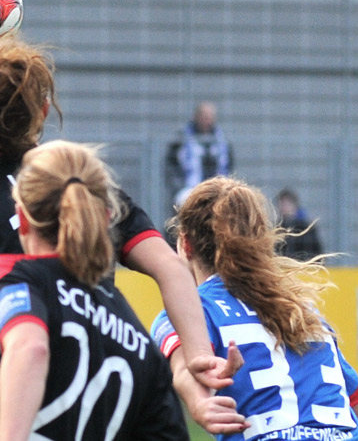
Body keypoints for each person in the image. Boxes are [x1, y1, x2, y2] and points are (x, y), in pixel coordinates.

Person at [0, 34, 233, 425]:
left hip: (7, 389)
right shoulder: (85, 183)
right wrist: (198, 354)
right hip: (99, 385)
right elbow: (172, 267)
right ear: (44, 111)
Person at [0, 139, 192, 440]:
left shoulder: (14, 277)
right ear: (106, 217)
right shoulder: (141, 343)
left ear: (22, 218)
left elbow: (30, 348)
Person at [152, 176, 358, 440]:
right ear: (261, 240)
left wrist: (198, 402)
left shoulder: (188, 309)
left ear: (185, 244)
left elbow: (184, 368)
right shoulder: (302, 311)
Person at [166, 101, 233, 209]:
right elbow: (172, 166)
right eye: (204, 116)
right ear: (196, 117)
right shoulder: (182, 139)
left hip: (218, 187)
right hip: (189, 187)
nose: (207, 120)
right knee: (185, 201)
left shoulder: (222, 141)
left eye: (210, 117)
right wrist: (178, 187)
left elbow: (228, 166)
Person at [275, 187, 323, 260]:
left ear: (295, 205)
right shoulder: (276, 229)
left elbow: (316, 252)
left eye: (287, 203)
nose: (284, 207)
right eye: (282, 204)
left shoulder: (307, 228)